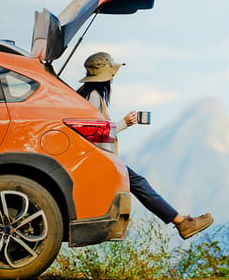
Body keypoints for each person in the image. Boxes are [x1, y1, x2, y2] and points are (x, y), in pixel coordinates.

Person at [76, 51, 214, 240]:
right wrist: (124, 123)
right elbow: (92, 132)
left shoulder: (84, 94)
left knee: (138, 183)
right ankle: (182, 223)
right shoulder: (93, 96)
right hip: (96, 157)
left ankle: (181, 222)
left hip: (93, 156)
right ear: (107, 77)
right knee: (139, 184)